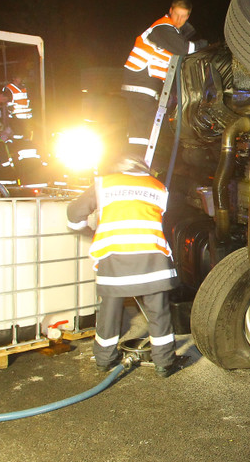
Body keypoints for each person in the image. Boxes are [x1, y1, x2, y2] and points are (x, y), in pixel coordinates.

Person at [65, 156, 187, 377]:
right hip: (153, 259)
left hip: (115, 260)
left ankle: (104, 360)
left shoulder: (104, 184)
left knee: (109, 312)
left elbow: (74, 216)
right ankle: (164, 363)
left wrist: (90, 232)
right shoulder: (158, 187)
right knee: (159, 313)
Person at [121, 0, 205, 158]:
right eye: (177, 14)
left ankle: (137, 160)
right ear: (170, 11)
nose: (179, 19)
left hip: (147, 85)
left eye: (183, 16)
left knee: (145, 125)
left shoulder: (172, 32)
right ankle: (136, 161)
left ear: (188, 16)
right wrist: (206, 44)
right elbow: (183, 48)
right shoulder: (162, 27)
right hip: (140, 82)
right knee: (142, 126)